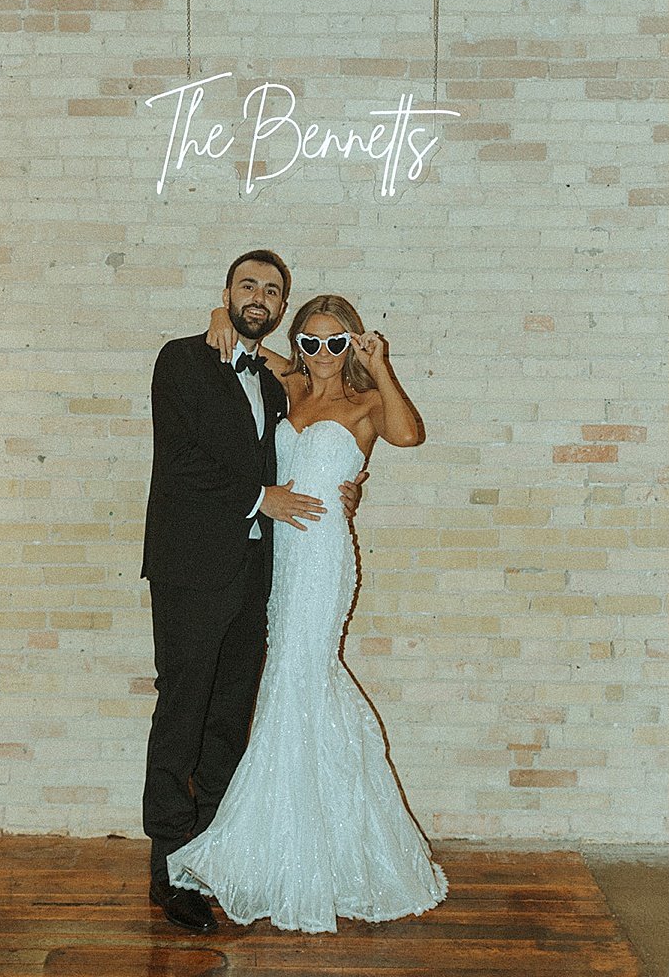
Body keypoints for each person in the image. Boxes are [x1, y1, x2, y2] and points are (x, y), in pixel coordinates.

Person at [164, 292, 447, 933]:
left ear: (352, 344)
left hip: (321, 558)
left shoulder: (366, 401)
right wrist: (218, 318)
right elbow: (238, 346)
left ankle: (283, 845)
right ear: (300, 345)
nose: (322, 354)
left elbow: (410, 434)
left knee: (299, 675)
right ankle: (309, 834)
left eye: (335, 343)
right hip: (272, 556)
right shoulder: (286, 384)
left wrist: (380, 365)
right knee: (291, 682)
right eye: (312, 342)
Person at [142, 250, 343, 932]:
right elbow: (182, 462)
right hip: (191, 571)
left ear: (281, 309)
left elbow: (322, 415)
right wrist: (265, 496)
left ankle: (210, 858)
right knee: (184, 715)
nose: (259, 297)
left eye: (272, 291)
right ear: (225, 292)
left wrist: (340, 481)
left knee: (228, 720)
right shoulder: (181, 360)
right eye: (247, 285)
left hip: (255, 575)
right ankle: (170, 873)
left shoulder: (274, 375)